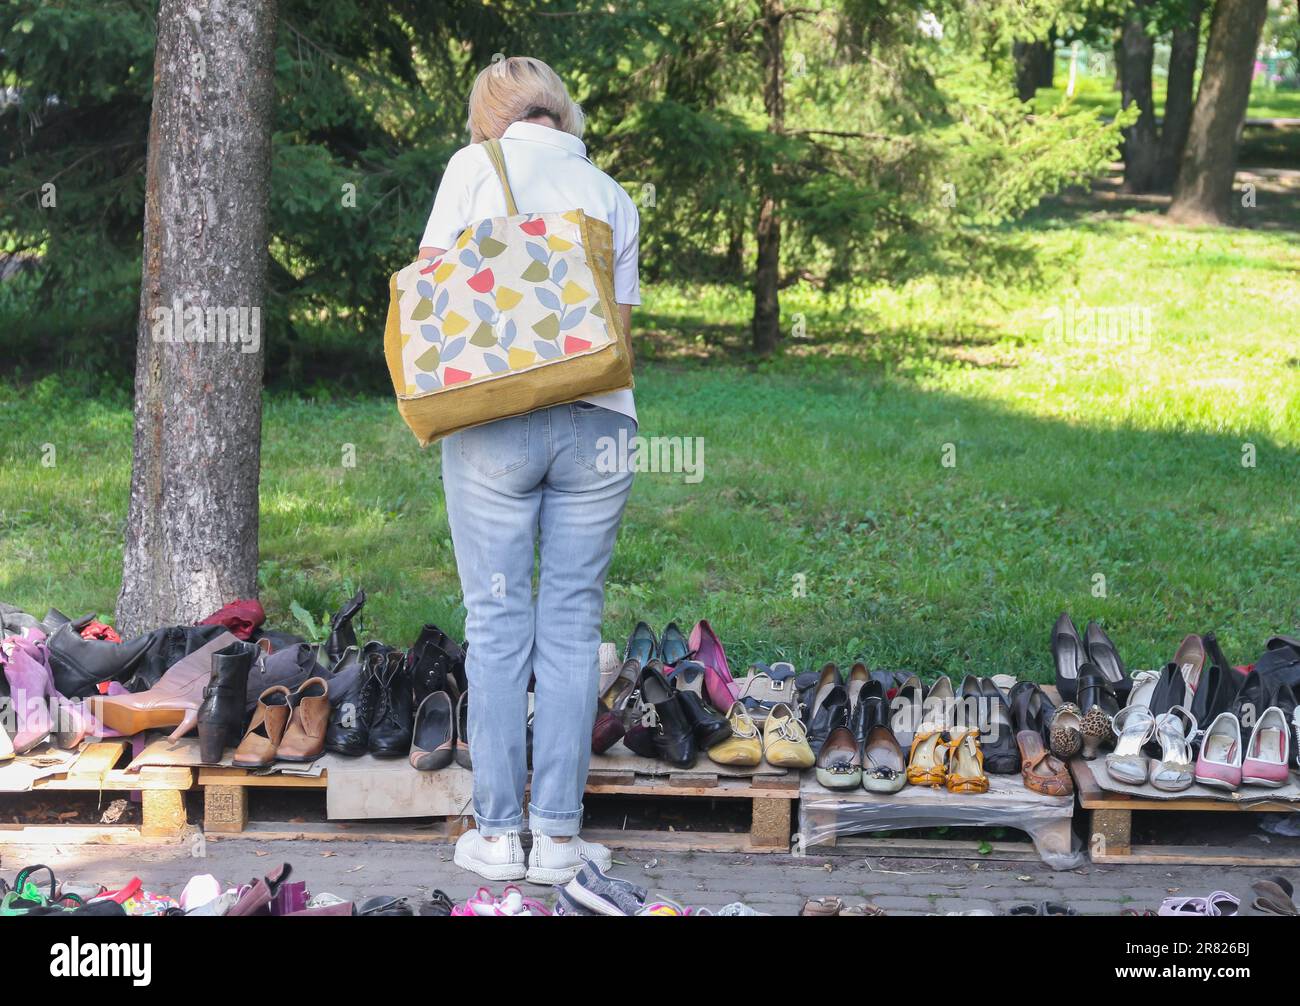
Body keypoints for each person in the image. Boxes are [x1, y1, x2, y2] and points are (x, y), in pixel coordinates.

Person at [417, 56, 640, 885]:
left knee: (498, 624)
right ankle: (558, 841)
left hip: (491, 423)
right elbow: (620, 334)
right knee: (575, 628)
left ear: (491, 116)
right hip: (599, 424)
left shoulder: (471, 170)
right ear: (559, 110)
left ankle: (498, 836)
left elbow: (429, 296)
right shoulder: (612, 194)